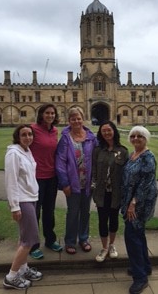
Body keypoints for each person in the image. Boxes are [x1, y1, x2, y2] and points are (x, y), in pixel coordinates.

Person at [3, 124, 42, 290]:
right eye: (24, 134)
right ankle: (11, 277)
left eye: (30, 134)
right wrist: (14, 206)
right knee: (29, 240)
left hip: (31, 197)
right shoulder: (13, 153)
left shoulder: (26, 150)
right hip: (22, 201)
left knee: (24, 237)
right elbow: (10, 181)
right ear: (17, 137)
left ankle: (23, 269)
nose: (28, 137)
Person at [121, 126, 158, 294]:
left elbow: (145, 184)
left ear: (146, 138)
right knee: (138, 234)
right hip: (132, 200)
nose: (136, 139)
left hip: (140, 202)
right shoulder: (133, 154)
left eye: (140, 136)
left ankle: (140, 277)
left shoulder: (148, 158)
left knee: (131, 237)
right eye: (133, 136)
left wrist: (133, 203)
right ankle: (145, 266)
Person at [55, 107, 97, 254]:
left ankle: (84, 238)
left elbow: (97, 158)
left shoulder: (91, 137)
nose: (76, 121)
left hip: (88, 183)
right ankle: (70, 241)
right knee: (73, 212)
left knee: (85, 212)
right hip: (72, 184)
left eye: (78, 118)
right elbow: (60, 163)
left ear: (83, 119)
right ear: (69, 121)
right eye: (73, 119)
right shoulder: (66, 138)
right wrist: (64, 183)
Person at [92, 121, 129, 262]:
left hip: (115, 193)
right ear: (101, 134)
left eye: (109, 130)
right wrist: (94, 187)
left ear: (114, 131)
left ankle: (112, 245)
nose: (106, 133)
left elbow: (125, 175)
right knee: (102, 220)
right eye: (103, 131)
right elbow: (94, 171)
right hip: (101, 192)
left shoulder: (123, 151)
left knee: (113, 219)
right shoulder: (97, 150)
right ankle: (104, 248)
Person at [29, 104, 62, 259]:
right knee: (34, 212)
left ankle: (50, 240)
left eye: (52, 113)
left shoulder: (55, 131)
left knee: (49, 211)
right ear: (41, 114)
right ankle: (33, 245)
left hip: (51, 177)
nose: (50, 115)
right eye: (47, 113)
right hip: (36, 178)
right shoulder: (32, 129)